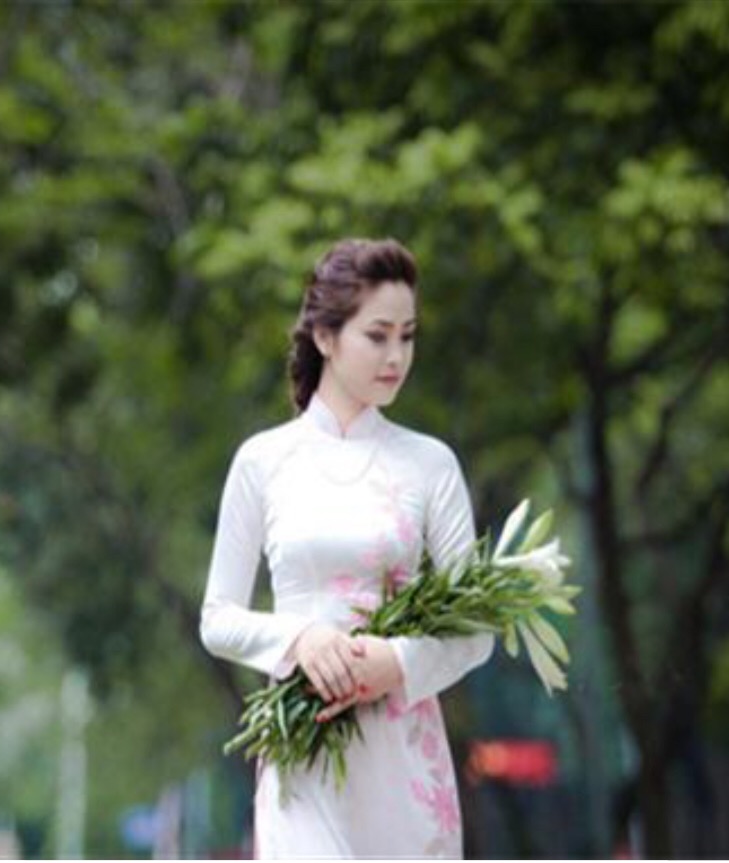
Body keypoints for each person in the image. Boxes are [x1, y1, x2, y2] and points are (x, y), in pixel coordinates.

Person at [199, 238, 495, 859]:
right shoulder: (264, 462)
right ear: (325, 337)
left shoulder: (430, 465)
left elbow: (476, 633)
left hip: (405, 763)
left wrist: (397, 661)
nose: (397, 356)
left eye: (407, 336)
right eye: (377, 335)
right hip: (304, 760)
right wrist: (300, 640)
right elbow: (217, 619)